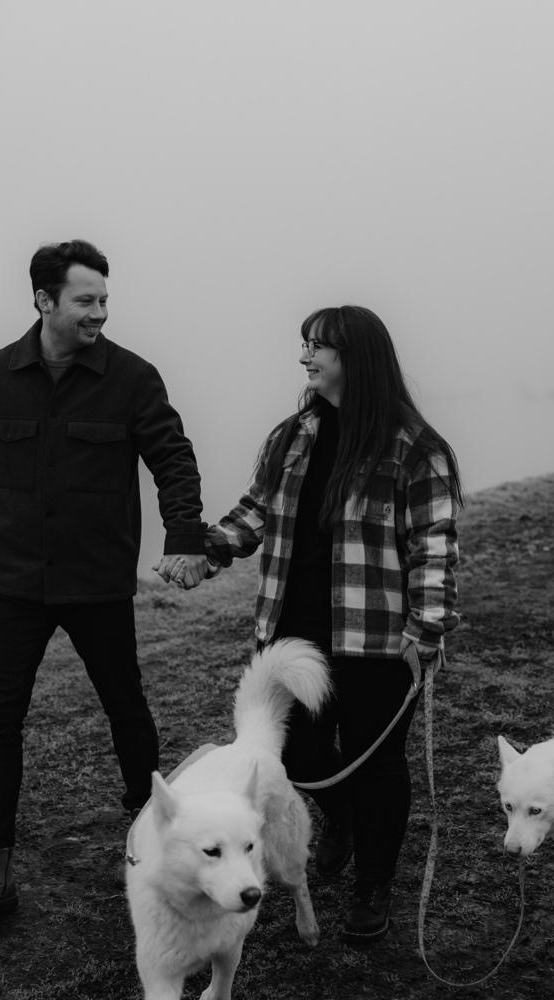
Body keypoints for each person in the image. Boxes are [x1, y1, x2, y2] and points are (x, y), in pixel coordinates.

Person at [0, 240, 210, 918]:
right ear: (44, 300)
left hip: (98, 580)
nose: (100, 312)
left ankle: (155, 841)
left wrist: (184, 536)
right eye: (86, 300)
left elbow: (173, 459)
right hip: (14, 581)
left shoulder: (132, 378)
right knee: (0, 720)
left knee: (124, 707)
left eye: (104, 299)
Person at [204, 304, 462, 943]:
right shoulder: (293, 435)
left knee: (379, 767)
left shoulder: (416, 449)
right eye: (304, 345)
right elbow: (255, 511)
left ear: (358, 357)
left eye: (317, 346)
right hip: (292, 633)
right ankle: (339, 814)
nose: (304, 358)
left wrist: (425, 631)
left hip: (376, 639)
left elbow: (434, 544)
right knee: (297, 753)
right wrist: (206, 547)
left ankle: (373, 885)